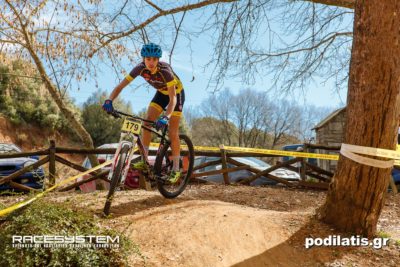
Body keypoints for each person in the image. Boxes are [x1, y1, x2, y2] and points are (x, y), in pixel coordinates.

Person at [102, 43, 184, 183]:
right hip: (160, 94)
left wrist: (166, 117)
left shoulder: (165, 71)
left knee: (172, 132)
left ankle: (176, 169)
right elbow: (120, 86)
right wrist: (109, 100)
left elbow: (172, 99)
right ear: (143, 59)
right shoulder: (139, 69)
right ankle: (145, 160)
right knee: (147, 122)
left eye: (154, 59)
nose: (151, 62)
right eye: (148, 59)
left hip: (176, 95)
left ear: (158, 60)